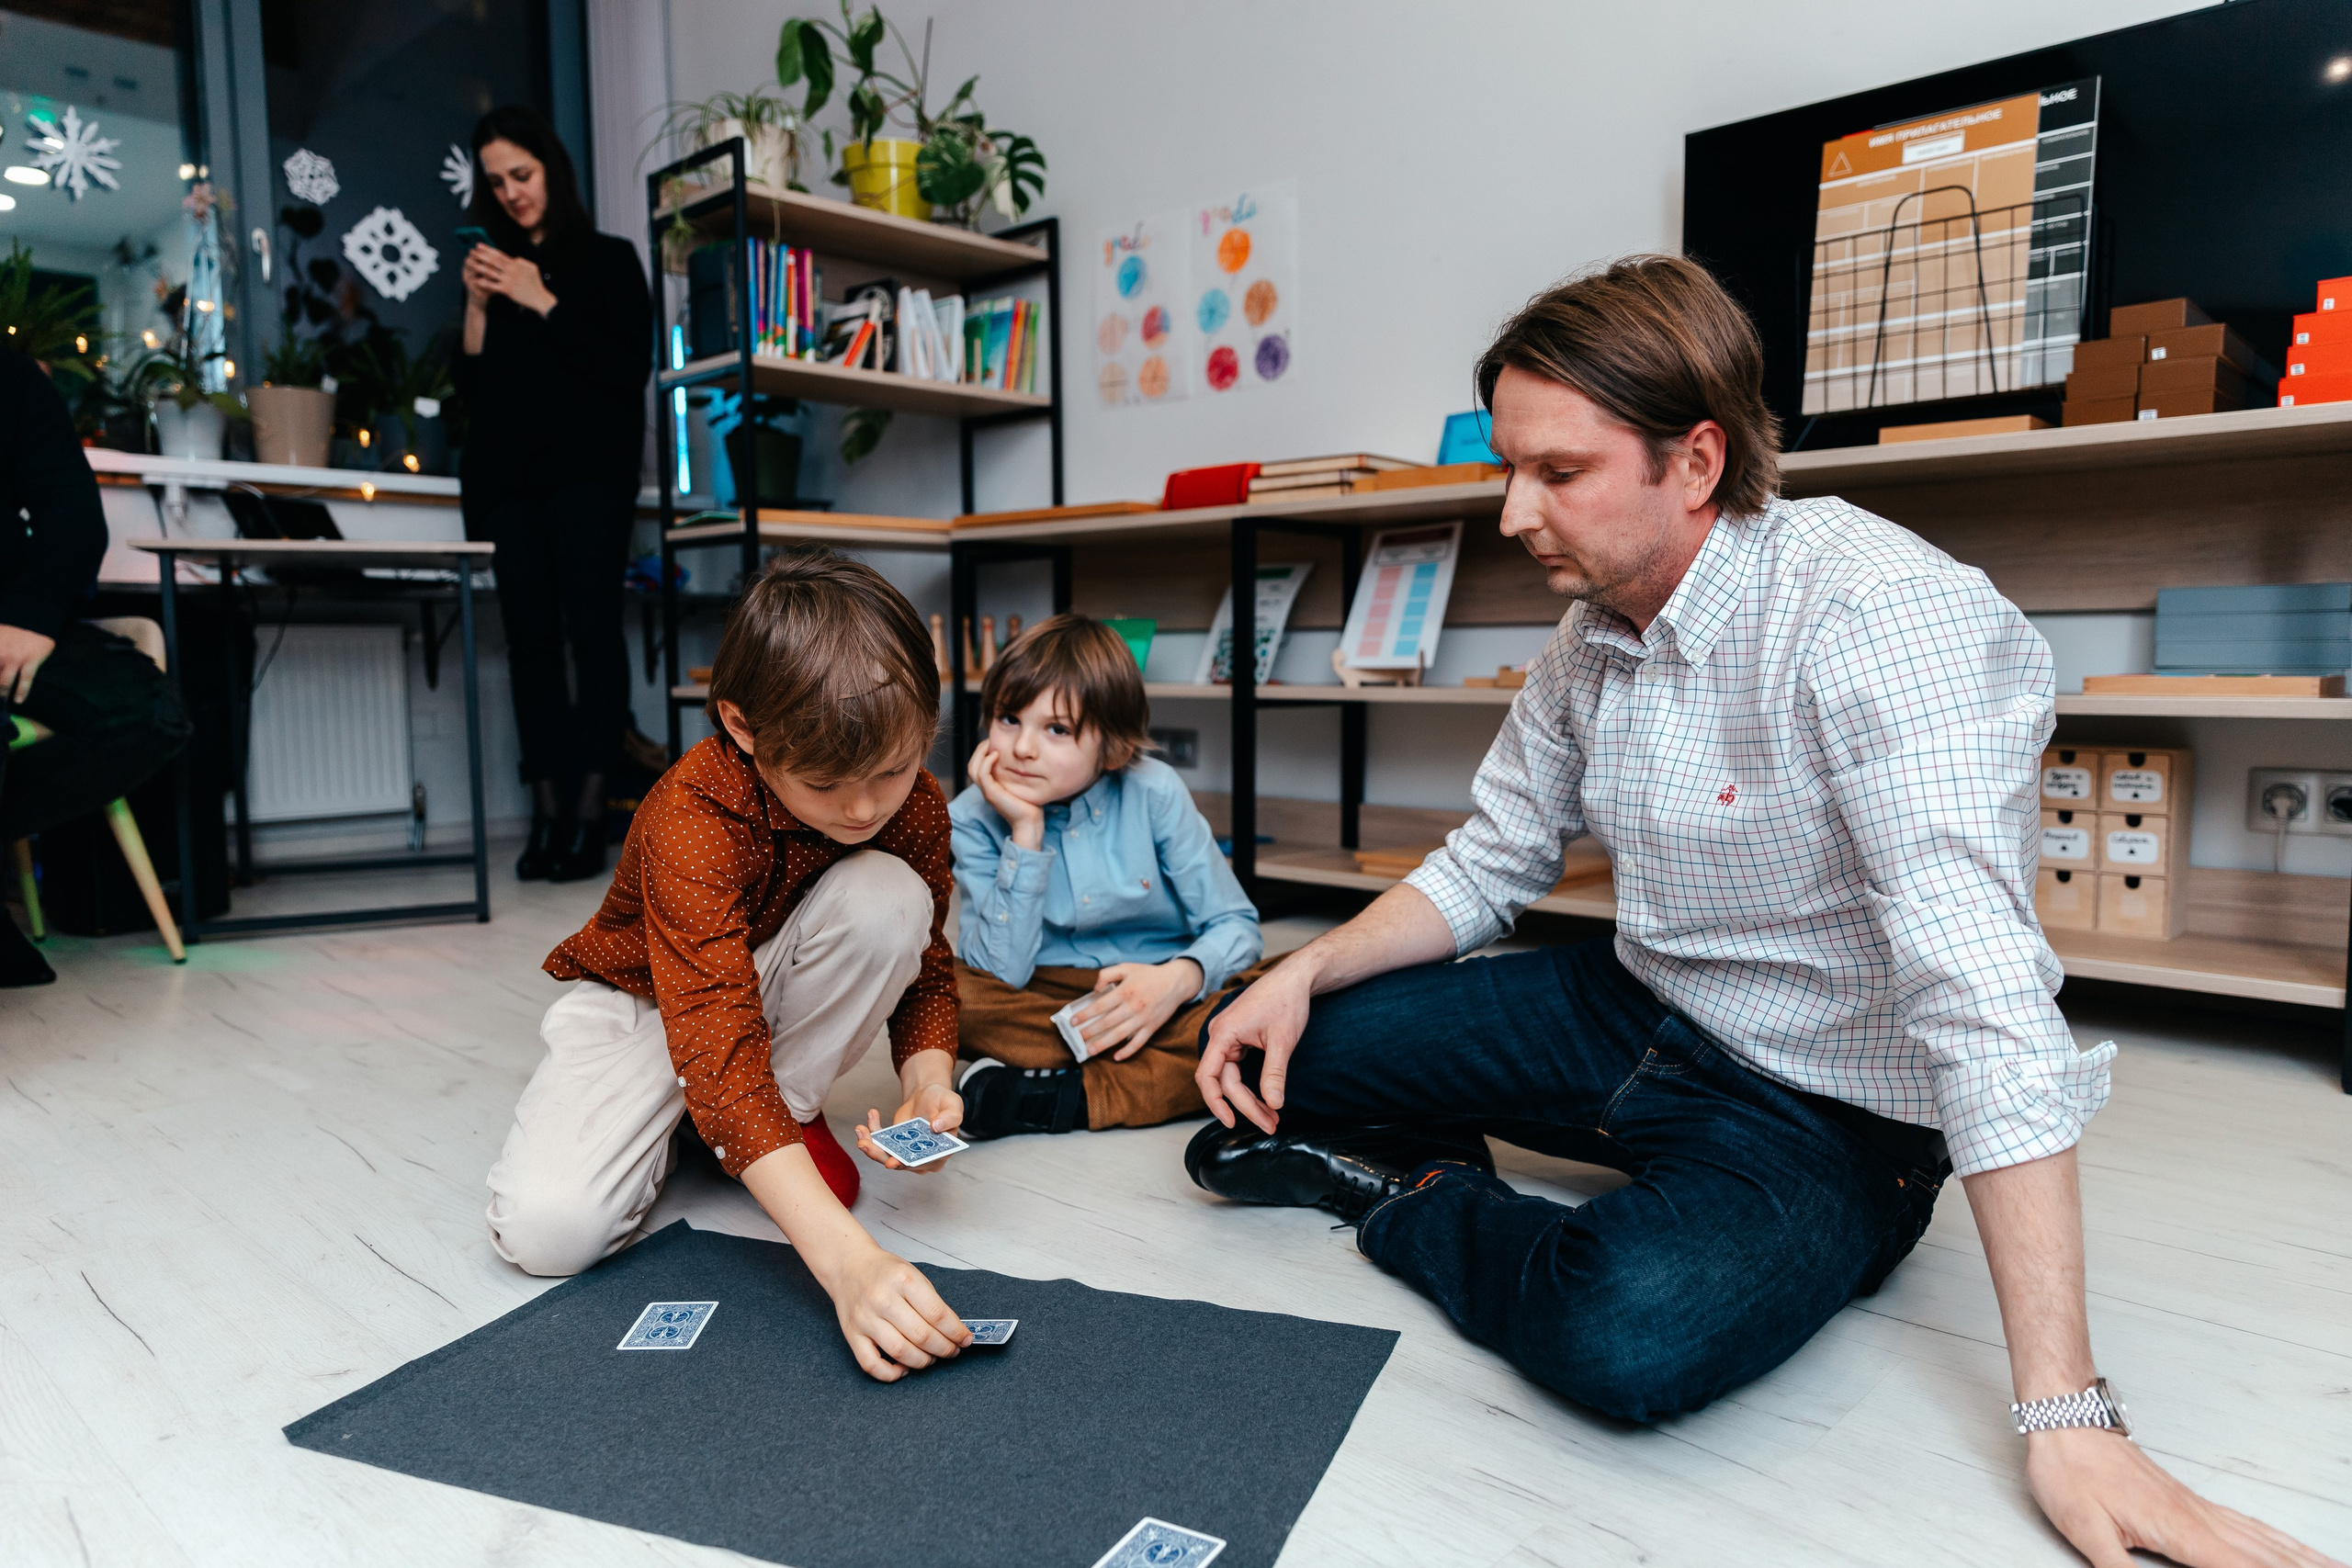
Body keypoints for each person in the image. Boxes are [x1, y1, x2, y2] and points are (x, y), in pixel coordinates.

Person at [1187, 256, 2339, 1568]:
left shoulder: (1876, 615)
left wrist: (2068, 1409)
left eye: (1556, 473)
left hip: (1831, 1105)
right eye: (1509, 469)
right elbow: (1490, 860)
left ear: (1695, 461)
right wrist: (1302, 969)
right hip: (1633, 1006)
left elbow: (1983, 995)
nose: (1512, 514)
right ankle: (1443, 1120)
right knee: (1285, 1044)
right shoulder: (1597, 629)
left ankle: (1415, 1190)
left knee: (1620, 1331)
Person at [485, 550, 973, 1382]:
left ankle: (755, 1125)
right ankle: (722, 1129)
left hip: (767, 997)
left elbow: (924, 964)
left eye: (891, 770)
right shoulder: (691, 813)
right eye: (826, 783)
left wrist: (930, 1078)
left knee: (893, 897)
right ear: (743, 729)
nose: (864, 807)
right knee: (547, 1232)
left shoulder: (914, 801)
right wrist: (851, 1265)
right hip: (646, 1003)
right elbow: (714, 1039)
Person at [950, 614, 1264, 1137]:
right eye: (1009, 719)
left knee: (1291, 986)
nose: (1023, 748)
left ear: (1113, 745)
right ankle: (1176, 1074)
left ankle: (1060, 1096)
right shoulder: (971, 816)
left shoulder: (1155, 791)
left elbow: (1236, 926)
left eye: (1056, 729)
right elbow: (998, 974)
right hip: (1045, 995)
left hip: (1164, 988)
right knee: (942, 995)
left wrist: (1176, 980)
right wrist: (1025, 832)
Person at [452, 104, 652, 885]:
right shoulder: (493, 269)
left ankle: (591, 812)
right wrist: (477, 306)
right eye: (496, 181)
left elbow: (621, 371)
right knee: (529, 647)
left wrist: (541, 299)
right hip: (509, 484)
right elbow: (473, 389)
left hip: (589, 480)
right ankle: (544, 810)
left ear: (553, 171)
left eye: (522, 175)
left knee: (592, 638)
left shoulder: (608, 259)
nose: (510, 193)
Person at [0, 344, 190, 987]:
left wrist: (30, 618)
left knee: (150, 716)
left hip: (14, 622)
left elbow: (73, 510)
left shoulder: (9, 373)